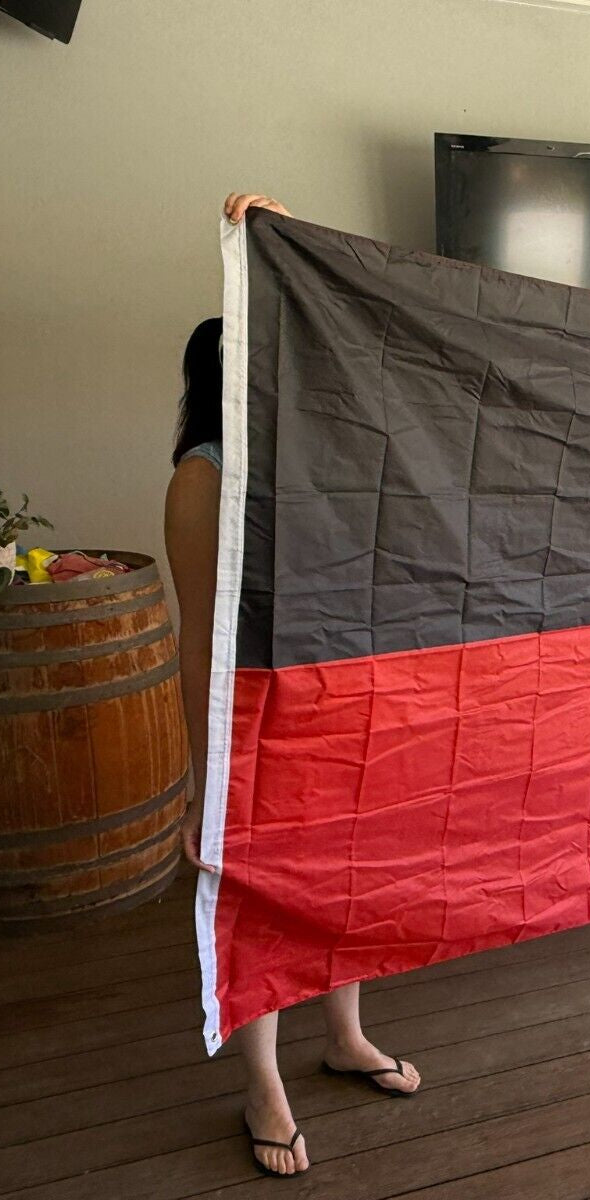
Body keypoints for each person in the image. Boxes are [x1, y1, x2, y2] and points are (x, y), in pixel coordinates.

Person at [165, 192, 421, 1180]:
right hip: (250, 730)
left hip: (331, 716)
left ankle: (346, 1037)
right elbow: (197, 642)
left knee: (342, 885)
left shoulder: (306, 463)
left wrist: (288, 238)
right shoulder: (204, 476)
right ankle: (262, 1084)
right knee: (264, 905)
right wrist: (201, 777)